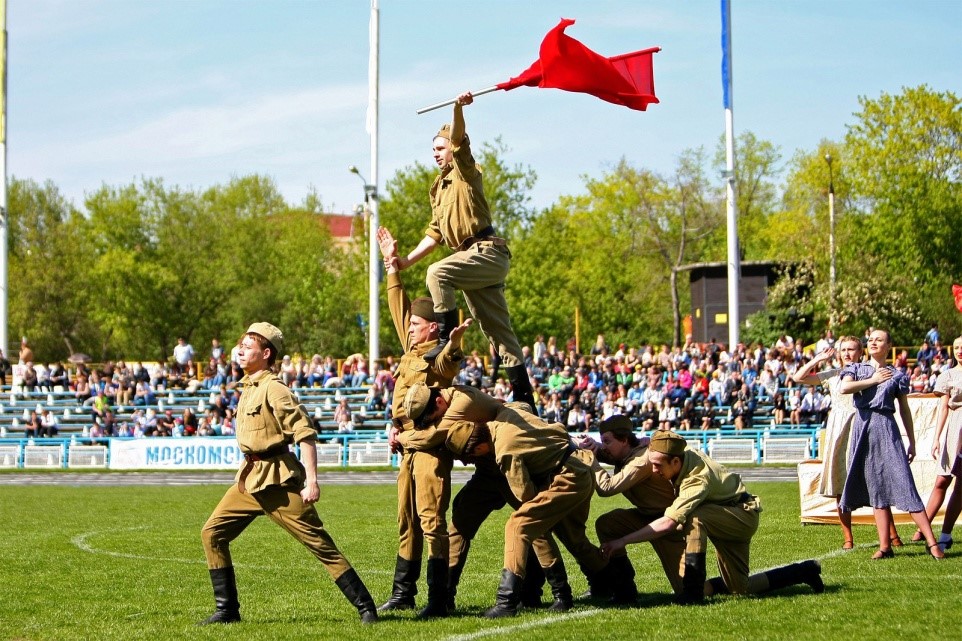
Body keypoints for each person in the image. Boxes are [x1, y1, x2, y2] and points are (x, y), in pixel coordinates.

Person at [199, 322, 378, 625]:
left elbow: (304, 433)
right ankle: (227, 610)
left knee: (319, 544)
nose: (240, 350)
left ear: (266, 353)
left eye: (248, 346)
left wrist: (312, 481)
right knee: (212, 534)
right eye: (240, 344)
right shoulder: (249, 386)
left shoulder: (274, 388)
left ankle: (366, 608)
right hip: (250, 479)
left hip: (277, 481)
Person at [383, 91, 535, 409]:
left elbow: (459, 140)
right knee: (498, 332)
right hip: (470, 260)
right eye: (433, 150)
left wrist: (457, 109)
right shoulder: (439, 189)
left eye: (440, 149)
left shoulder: (467, 172)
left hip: (487, 251)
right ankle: (525, 398)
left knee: (438, 273)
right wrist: (403, 260)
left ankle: (444, 342)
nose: (436, 155)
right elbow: (436, 233)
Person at [416, 388, 614, 619]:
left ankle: (568, 591)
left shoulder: (474, 408)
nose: (436, 424)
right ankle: (445, 596)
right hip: (500, 472)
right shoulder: (487, 420)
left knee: (545, 529)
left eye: (468, 458)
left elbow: (525, 494)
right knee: (462, 522)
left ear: (438, 402)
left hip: (545, 471)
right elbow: (522, 409)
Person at [600, 430, 824, 604]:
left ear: (675, 462)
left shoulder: (697, 479)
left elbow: (669, 523)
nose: (654, 470)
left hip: (740, 516)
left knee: (695, 517)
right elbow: (657, 436)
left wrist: (623, 540)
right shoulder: (676, 451)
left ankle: (693, 592)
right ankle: (803, 571)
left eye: (658, 465)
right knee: (740, 588)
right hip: (724, 514)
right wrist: (642, 441)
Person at [374, 227, 471, 619]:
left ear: (432, 326)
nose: (410, 327)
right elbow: (397, 305)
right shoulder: (412, 349)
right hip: (406, 447)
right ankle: (403, 593)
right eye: (411, 324)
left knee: (432, 521)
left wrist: (455, 343)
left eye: (417, 324)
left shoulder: (436, 353)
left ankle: (439, 597)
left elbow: (449, 362)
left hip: (430, 449)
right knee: (407, 520)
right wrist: (391, 265)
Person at [838, 328, 944, 560]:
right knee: (876, 488)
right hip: (863, 427)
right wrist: (873, 380)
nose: (874, 342)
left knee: (904, 482)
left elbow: (904, 409)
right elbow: (844, 388)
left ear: (888, 346)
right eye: (871, 339)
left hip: (887, 427)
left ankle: (931, 541)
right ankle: (885, 546)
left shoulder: (897, 375)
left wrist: (912, 442)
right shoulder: (856, 368)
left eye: (880, 340)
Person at [792, 338, 900, 549]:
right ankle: (848, 538)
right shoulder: (833, 374)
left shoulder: (869, 371)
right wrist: (819, 358)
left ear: (861, 351)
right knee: (840, 483)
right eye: (843, 350)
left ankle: (892, 534)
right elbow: (798, 378)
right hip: (839, 431)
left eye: (851, 349)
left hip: (863, 425)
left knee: (874, 480)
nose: (847, 353)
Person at [578, 415, 683, 600]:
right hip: (648, 516)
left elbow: (606, 488)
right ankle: (623, 587)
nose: (604, 447)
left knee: (688, 590)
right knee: (608, 524)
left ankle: (734, 584)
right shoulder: (626, 452)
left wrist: (591, 459)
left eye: (607, 441)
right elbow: (610, 454)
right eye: (602, 441)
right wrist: (592, 445)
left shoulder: (641, 460)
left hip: (669, 524)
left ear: (624, 440)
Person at [912, 334, 962, 551]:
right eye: (957, 347)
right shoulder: (948, 375)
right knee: (942, 480)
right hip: (956, 429)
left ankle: (945, 534)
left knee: (961, 484)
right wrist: (936, 438)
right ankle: (923, 528)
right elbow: (943, 408)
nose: (960, 350)